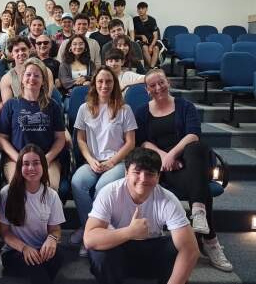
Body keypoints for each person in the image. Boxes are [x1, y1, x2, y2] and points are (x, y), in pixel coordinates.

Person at [134, 69, 233, 272]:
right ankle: (210, 239)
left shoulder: (185, 106)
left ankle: (198, 212)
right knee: (201, 184)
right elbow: (142, 141)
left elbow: (193, 135)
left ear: (167, 82)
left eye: (160, 82)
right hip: (163, 168)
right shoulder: (142, 112)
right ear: (147, 89)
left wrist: (174, 154)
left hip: (188, 161)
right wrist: (164, 157)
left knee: (197, 148)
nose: (158, 88)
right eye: (152, 85)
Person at [84, 147, 200, 284]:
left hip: (151, 253)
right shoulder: (109, 193)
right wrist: (130, 232)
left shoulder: (168, 199)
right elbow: (89, 239)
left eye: (150, 174)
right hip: (119, 250)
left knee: (177, 248)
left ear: (158, 177)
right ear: (126, 173)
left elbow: (191, 250)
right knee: (99, 254)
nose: (143, 179)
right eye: (137, 172)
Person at [70, 66, 137, 256]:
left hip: (116, 162)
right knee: (77, 183)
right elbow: (80, 140)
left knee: (102, 189)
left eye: (108, 81)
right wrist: (90, 160)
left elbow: (131, 142)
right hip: (93, 161)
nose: (104, 85)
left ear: (114, 84)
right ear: (94, 84)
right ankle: (88, 228)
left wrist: (113, 161)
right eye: (100, 81)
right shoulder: (85, 108)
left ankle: (94, 233)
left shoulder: (124, 109)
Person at [0, 144, 65, 284]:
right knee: (36, 268)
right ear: (19, 167)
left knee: (57, 258)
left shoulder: (52, 195)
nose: (31, 168)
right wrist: (24, 248)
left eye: (36, 163)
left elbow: (55, 230)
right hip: (15, 250)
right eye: (26, 164)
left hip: (41, 248)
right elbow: (4, 232)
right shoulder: (6, 193)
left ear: (43, 166)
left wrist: (52, 239)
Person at [0, 58, 65, 191]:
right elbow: (2, 138)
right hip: (16, 158)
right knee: (18, 188)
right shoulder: (11, 105)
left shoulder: (53, 106)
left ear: (43, 81)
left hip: (47, 159)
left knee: (50, 188)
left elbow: (60, 138)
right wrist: (17, 158)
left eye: (37, 75)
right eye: (28, 74)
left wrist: (47, 158)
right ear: (22, 78)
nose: (32, 78)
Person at [0, 36, 54, 103]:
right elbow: (8, 107)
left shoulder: (46, 71)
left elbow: (47, 99)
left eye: (23, 49)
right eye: (17, 51)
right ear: (12, 55)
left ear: (29, 50)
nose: (21, 53)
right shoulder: (6, 79)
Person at [59, 34, 95, 99]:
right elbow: (65, 82)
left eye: (81, 44)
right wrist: (83, 83)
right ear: (70, 47)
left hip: (89, 96)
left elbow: (95, 77)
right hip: (71, 97)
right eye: (74, 44)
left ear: (85, 47)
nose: (78, 47)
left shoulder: (90, 63)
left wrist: (85, 78)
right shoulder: (64, 64)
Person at [133, 2, 162, 69]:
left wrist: (151, 46)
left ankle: (151, 68)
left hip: (152, 40)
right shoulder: (135, 20)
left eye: (142, 8)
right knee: (145, 48)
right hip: (141, 42)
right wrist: (141, 36)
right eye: (139, 9)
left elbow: (156, 36)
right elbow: (133, 34)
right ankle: (154, 69)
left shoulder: (152, 20)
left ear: (146, 9)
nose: (140, 10)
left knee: (156, 48)